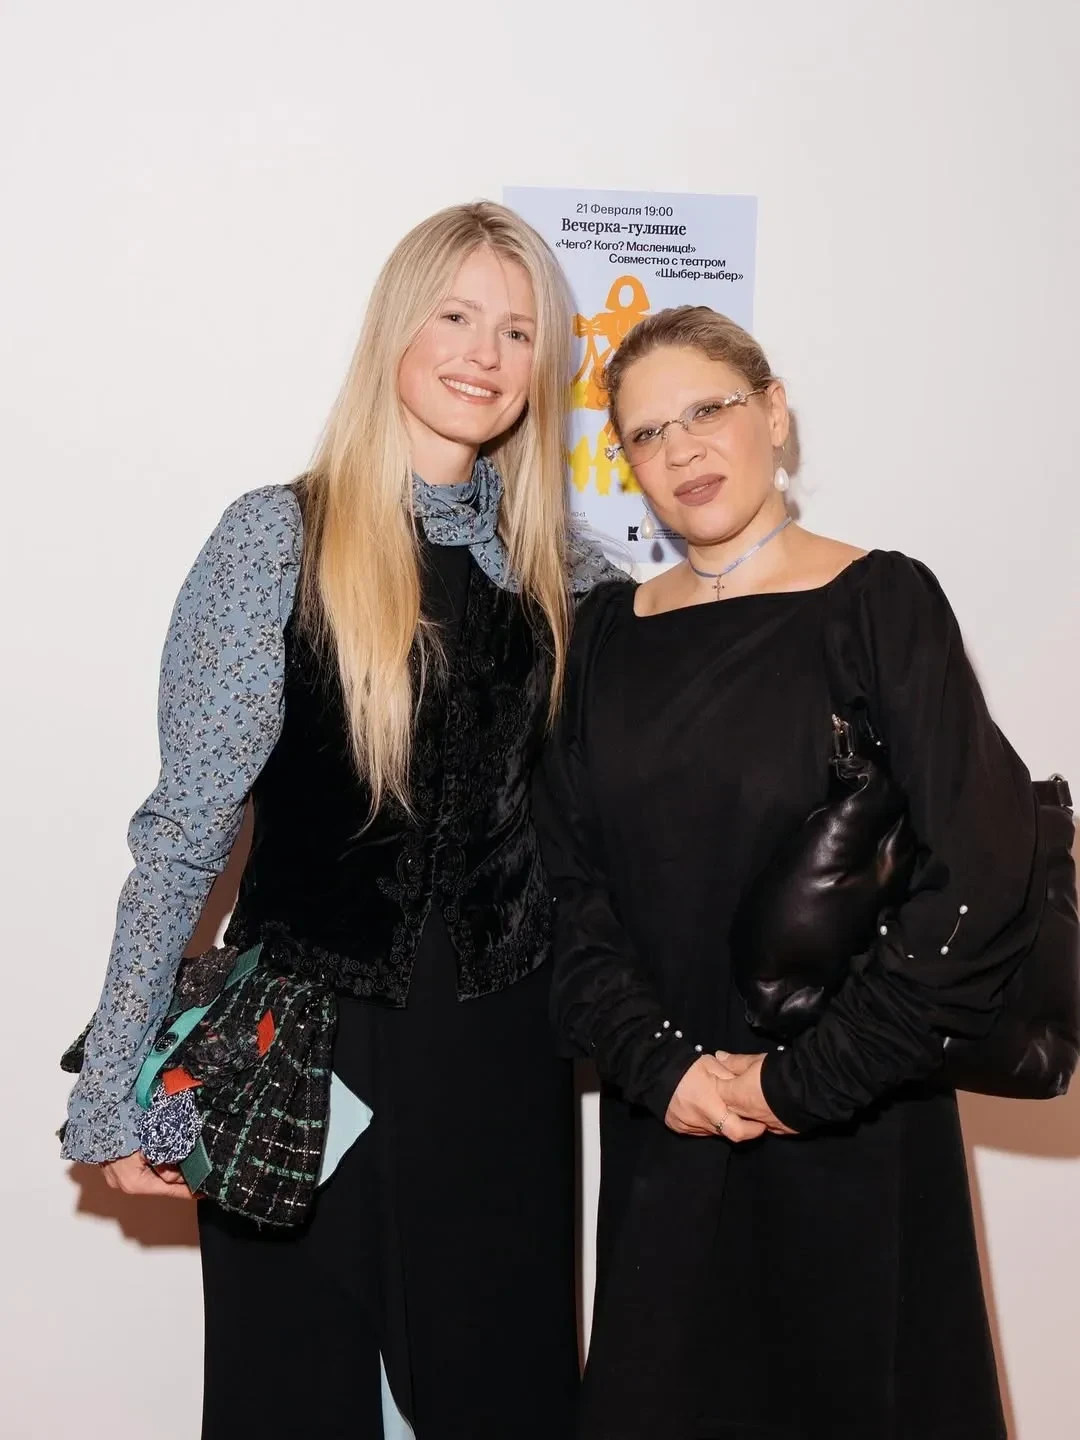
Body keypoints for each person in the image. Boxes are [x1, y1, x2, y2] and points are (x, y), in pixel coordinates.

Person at [61, 201, 619, 1440]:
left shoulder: (572, 580)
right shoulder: (276, 539)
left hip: (504, 1067)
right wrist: (112, 1101)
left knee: (503, 1395)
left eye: (518, 331)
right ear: (395, 331)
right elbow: (183, 837)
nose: (484, 353)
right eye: (456, 315)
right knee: (299, 1396)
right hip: (301, 1064)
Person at [535, 304, 1036, 1440]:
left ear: (774, 413)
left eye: (708, 410)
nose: (683, 450)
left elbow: (982, 869)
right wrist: (663, 1066)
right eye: (649, 433)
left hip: (856, 1129)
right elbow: (570, 888)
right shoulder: (601, 637)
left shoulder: (881, 603)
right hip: (670, 1123)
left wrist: (804, 1084)